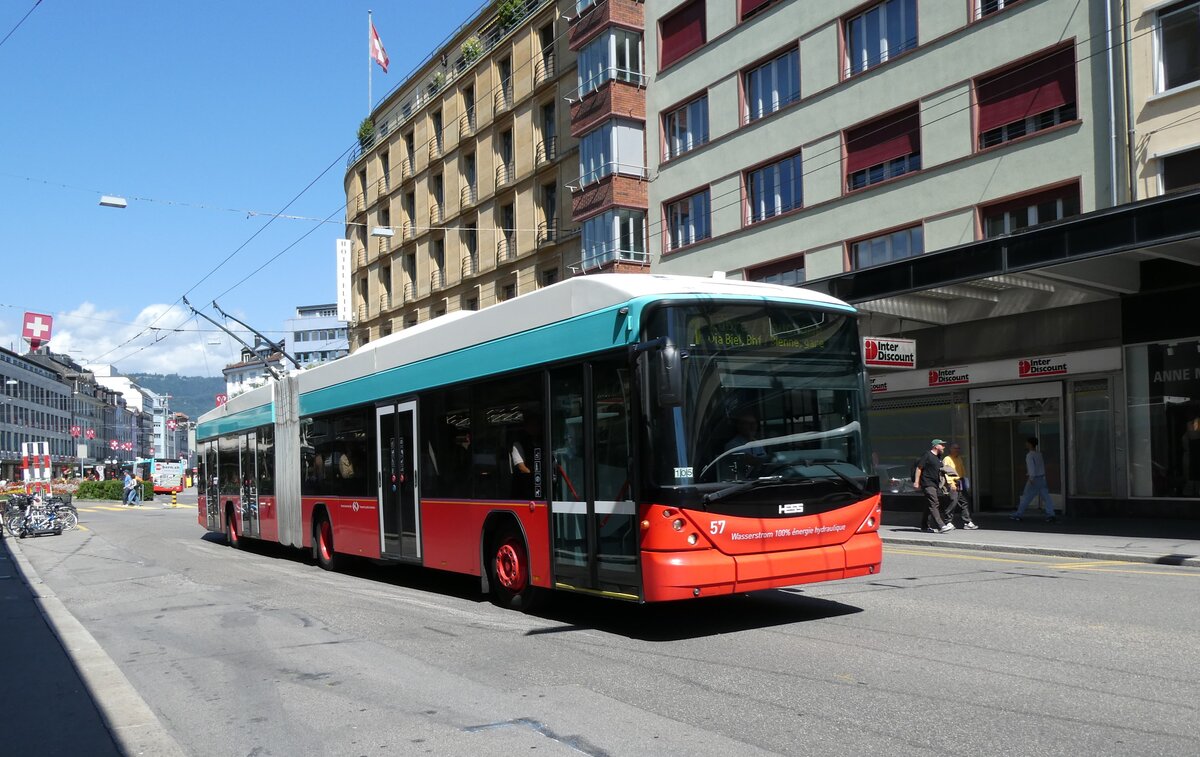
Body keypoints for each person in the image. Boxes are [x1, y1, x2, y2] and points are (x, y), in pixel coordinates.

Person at [1013, 436, 1055, 522]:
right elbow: (1042, 466)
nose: (1026, 444)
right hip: (1042, 478)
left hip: (1034, 478)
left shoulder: (1029, 455)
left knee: (1026, 497)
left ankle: (1018, 514)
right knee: (1046, 497)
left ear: (1030, 444)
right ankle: (1050, 514)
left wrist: (1031, 478)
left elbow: (1031, 468)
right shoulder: (1039, 454)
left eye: (1027, 443)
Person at [915, 439, 953, 533]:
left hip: (935, 484)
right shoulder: (927, 455)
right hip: (927, 483)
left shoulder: (938, 457)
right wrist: (916, 482)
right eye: (942, 445)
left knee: (929, 505)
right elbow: (919, 468)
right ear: (936, 446)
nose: (944, 447)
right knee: (934, 503)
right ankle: (941, 526)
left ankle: (924, 526)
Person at [941, 444, 978, 529]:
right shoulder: (947, 459)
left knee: (964, 502)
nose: (957, 450)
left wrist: (964, 480)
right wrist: (951, 483)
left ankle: (967, 521)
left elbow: (962, 470)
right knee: (953, 501)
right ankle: (948, 521)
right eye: (955, 448)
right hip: (953, 482)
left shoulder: (959, 458)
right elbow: (946, 471)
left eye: (958, 448)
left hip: (960, 481)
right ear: (950, 449)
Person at [510, 414, 541, 500]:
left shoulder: (542, 442)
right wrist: (535, 476)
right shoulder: (518, 444)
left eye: (537, 425)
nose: (535, 428)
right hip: (524, 487)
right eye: (532, 425)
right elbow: (521, 467)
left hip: (539, 486)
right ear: (526, 427)